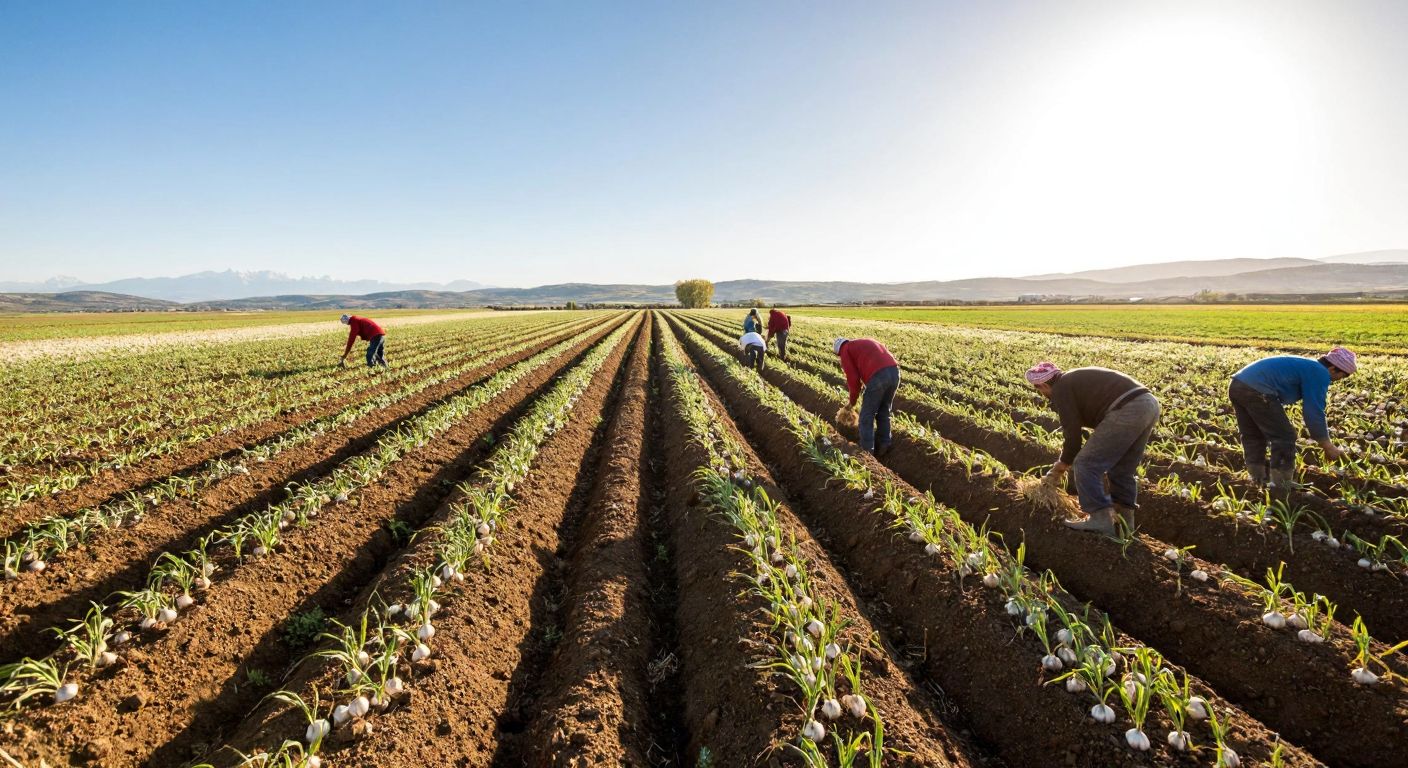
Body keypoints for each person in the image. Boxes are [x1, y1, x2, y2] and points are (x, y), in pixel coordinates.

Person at [1026, 362, 1161, 534]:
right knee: (1122, 469)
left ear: (1043, 384)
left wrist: (1060, 466)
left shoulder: (1061, 389)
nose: (1042, 394)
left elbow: (1073, 435)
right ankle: (1126, 523)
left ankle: (1100, 518)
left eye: (1039, 390)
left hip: (1128, 409)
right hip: (1149, 404)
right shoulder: (1072, 380)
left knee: (1085, 463)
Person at [1228, 347, 1356, 488]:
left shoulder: (1308, 366)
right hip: (1257, 390)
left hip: (1237, 384)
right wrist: (1327, 445)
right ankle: (1281, 483)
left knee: (1253, 435)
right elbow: (1314, 411)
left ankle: (1257, 479)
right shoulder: (1319, 373)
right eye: (1343, 376)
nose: (1339, 380)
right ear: (1333, 368)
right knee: (1284, 436)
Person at [834, 338, 900, 456]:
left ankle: (866, 452)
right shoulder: (859, 344)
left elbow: (853, 380)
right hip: (894, 372)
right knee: (884, 411)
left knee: (866, 416)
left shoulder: (845, 351)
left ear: (838, 351)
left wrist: (852, 402)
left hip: (879, 376)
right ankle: (885, 443)